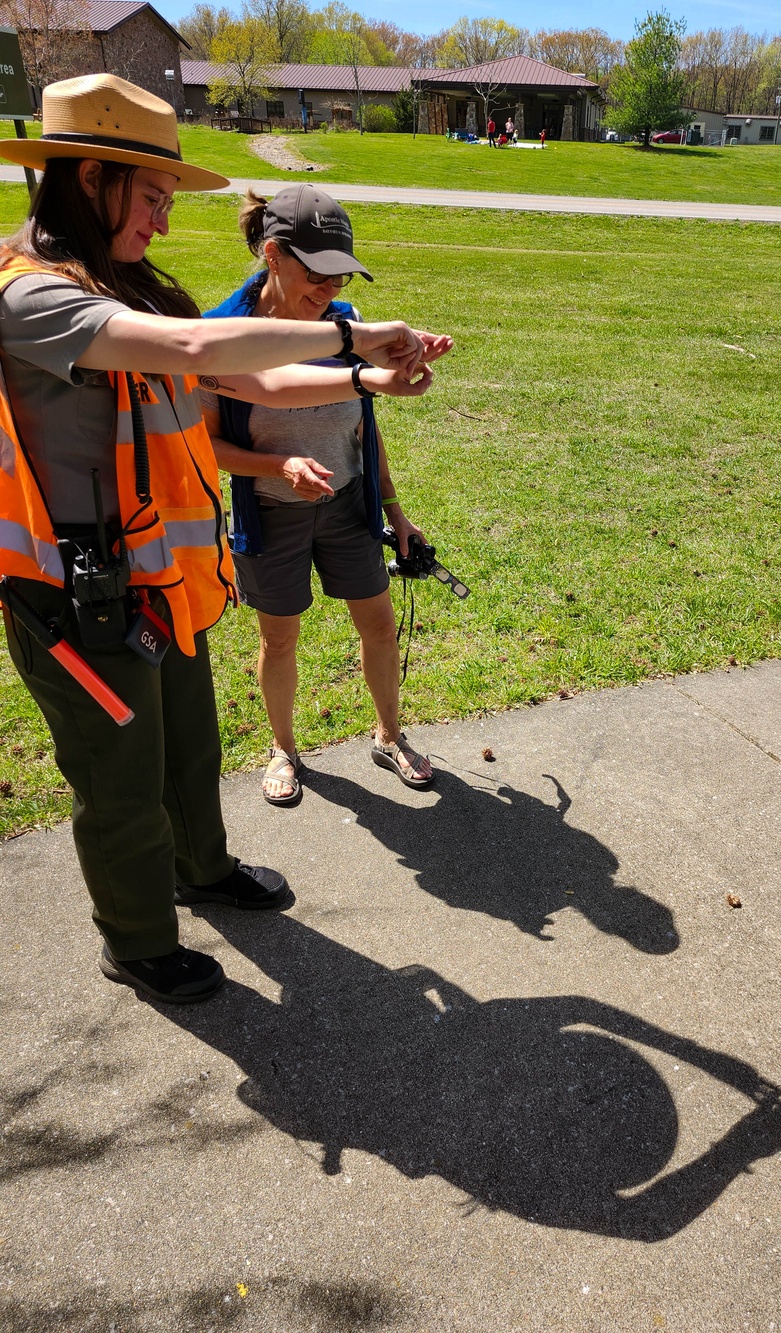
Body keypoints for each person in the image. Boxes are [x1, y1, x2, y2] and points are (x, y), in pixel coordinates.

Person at [0, 74, 448, 1005]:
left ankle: (201, 870)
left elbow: (259, 387)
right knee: (121, 781)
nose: (164, 223)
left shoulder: (122, 283)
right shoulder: (30, 298)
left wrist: (364, 383)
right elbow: (203, 354)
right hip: (76, 599)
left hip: (163, 578)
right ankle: (138, 941)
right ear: (90, 177)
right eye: (154, 199)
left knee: (189, 746)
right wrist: (356, 337)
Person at [202, 186, 435, 806]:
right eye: (317, 273)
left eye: (342, 275)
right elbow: (204, 447)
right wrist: (277, 463)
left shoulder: (345, 327)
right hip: (271, 511)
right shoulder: (220, 335)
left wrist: (395, 510)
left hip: (346, 504)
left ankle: (389, 733)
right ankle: (282, 748)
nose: (331, 289)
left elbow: (364, 426)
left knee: (379, 625)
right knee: (279, 639)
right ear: (274, 255)